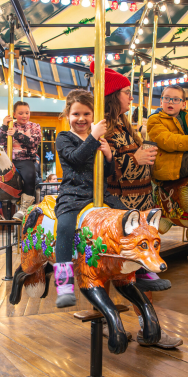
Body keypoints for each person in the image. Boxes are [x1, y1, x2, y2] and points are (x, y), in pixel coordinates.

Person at [100, 66, 180, 349]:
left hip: (141, 201)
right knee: (128, 272)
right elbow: (106, 170)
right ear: (113, 95)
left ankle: (144, 326)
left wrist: (143, 156)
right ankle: (145, 327)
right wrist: (136, 158)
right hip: (124, 206)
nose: (131, 97)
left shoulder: (125, 124)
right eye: (126, 92)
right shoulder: (107, 128)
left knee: (133, 273)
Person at [54, 89, 125, 308]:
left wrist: (109, 156)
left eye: (86, 113)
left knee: (130, 220)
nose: (81, 119)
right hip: (73, 194)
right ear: (68, 115)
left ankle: (141, 272)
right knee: (65, 228)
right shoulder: (64, 138)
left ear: (93, 115)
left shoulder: (99, 139)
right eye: (76, 114)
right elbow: (75, 159)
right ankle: (64, 286)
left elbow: (107, 172)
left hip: (99, 194)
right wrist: (94, 138)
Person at [0, 101, 42, 221]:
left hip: (25, 159)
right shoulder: (9, 125)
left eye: (27, 113)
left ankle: (25, 208)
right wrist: (4, 126)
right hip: (8, 159)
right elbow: (1, 142)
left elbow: (34, 142)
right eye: (20, 113)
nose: (24, 116)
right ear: (14, 114)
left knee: (30, 175)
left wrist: (17, 134)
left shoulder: (34, 126)